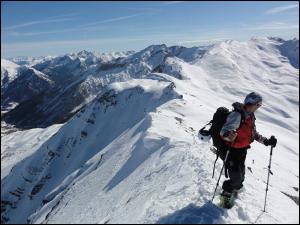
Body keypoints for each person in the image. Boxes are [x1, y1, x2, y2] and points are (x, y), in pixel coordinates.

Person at [220, 92, 277, 196]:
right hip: (232, 151)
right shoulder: (237, 115)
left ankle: (233, 191)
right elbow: (224, 131)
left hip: (242, 151)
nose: (258, 107)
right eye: (258, 105)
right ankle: (225, 197)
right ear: (253, 104)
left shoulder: (250, 116)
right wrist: (228, 135)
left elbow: (253, 134)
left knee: (241, 177)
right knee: (236, 178)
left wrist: (266, 141)